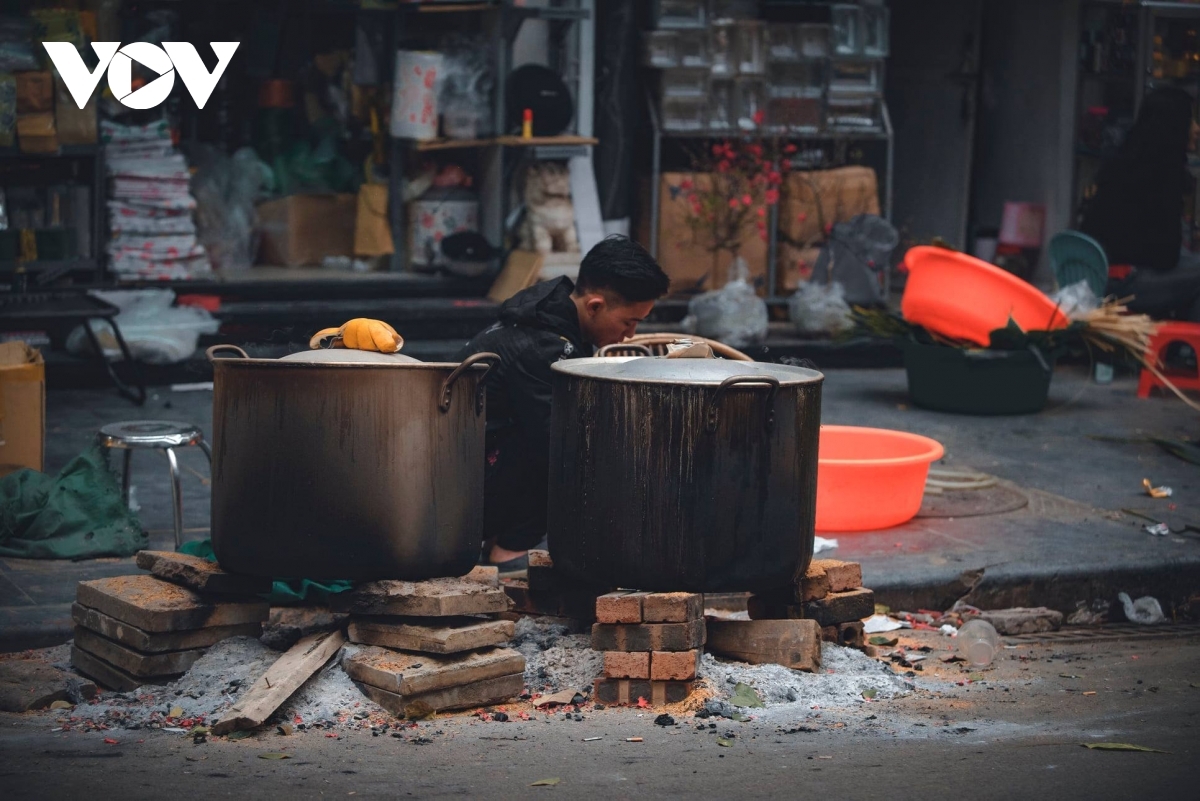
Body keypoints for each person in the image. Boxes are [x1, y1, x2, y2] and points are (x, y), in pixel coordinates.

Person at [458, 236, 670, 573]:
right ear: (595, 306)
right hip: (470, 493)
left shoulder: (549, 318)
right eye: (629, 322)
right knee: (575, 445)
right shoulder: (543, 347)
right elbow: (562, 446)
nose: (630, 335)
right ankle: (510, 549)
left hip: (484, 476)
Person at [1080, 86, 1200, 320]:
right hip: (1126, 284)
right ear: (1174, 126)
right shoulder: (1164, 174)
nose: (1197, 129)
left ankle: (1182, 345)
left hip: (1096, 277)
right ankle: (1186, 346)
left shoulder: (1122, 164)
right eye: (1191, 121)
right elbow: (1165, 257)